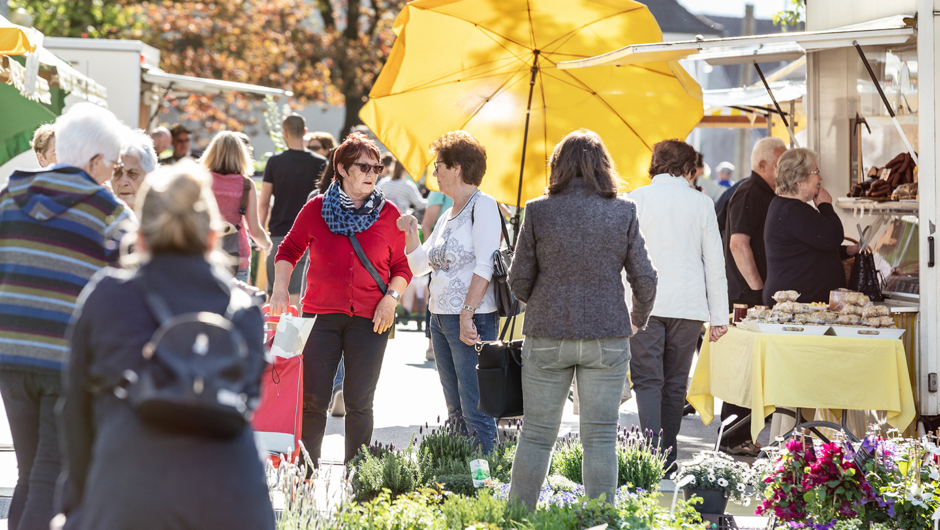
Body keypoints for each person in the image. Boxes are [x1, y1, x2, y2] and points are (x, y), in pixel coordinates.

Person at [55, 162, 275, 530]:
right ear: (211, 237)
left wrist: (78, 504)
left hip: (128, 490)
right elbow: (247, 405)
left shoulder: (107, 298)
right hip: (232, 497)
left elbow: (75, 413)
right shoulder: (245, 313)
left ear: (140, 237)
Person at [506, 129, 658, 510]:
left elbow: (518, 280)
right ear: (604, 166)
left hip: (546, 334)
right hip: (607, 335)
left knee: (538, 435)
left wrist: (542, 300)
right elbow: (645, 278)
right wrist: (637, 319)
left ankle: (518, 517)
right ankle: (600, 517)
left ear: (558, 165)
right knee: (602, 436)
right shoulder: (623, 211)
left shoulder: (538, 210)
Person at [0, 102, 132, 530]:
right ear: (95, 161)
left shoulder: (8, 197)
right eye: (112, 166)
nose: (113, 176)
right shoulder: (111, 215)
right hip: (66, 359)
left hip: (11, 354)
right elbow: (130, 290)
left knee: (30, 474)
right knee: (50, 477)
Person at [269, 132, 412, 465]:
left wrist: (391, 299)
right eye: (363, 166)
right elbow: (289, 249)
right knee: (313, 400)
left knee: (360, 401)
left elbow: (402, 266)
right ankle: (304, 474)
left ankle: (359, 478)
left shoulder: (389, 213)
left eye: (377, 167)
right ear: (343, 169)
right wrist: (279, 288)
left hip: (371, 317)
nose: (372, 174)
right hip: (320, 316)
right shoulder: (317, 208)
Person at [627, 139, 729, 472]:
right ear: (689, 168)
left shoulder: (636, 199)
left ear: (654, 165)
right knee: (674, 383)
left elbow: (623, 257)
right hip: (688, 305)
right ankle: (668, 458)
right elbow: (715, 262)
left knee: (646, 380)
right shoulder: (701, 202)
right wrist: (719, 316)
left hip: (645, 304)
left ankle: (650, 458)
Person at [398, 130, 501, 453]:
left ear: (457, 167)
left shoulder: (482, 206)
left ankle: (486, 487)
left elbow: (485, 264)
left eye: (439, 165)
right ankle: (461, 479)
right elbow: (419, 267)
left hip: (471, 319)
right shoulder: (447, 215)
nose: (435, 173)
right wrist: (412, 232)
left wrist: (467, 313)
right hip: (440, 318)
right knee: (455, 410)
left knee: (476, 410)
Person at [719, 136, 787, 456]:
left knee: (752, 369)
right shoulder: (750, 192)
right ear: (762, 165)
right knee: (745, 370)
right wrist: (760, 289)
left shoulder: (764, 193)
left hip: (752, 293)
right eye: (780, 165)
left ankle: (739, 436)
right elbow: (738, 244)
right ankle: (733, 438)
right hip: (747, 295)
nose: (784, 171)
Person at [763, 148, 857, 305]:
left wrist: (846, 251)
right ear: (799, 180)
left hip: (797, 302)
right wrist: (826, 206)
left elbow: (809, 248)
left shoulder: (785, 206)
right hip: (798, 306)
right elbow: (833, 236)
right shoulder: (794, 210)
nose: (820, 177)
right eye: (816, 172)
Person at [259, 114, 327, 305]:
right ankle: (297, 335)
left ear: (285, 133)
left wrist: (261, 234)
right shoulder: (320, 163)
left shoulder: (274, 162)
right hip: (310, 235)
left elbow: (264, 201)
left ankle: (274, 335)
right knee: (299, 292)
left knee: (275, 294)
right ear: (305, 132)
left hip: (279, 232)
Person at [201, 131, 272, 282]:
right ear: (241, 155)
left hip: (204, 254)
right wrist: (267, 245)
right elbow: (255, 231)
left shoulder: (200, 180)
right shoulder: (246, 185)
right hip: (237, 257)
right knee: (237, 303)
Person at [112, 129, 158, 209]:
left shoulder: (164, 217)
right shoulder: (98, 216)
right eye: (117, 173)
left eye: (132, 174)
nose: (123, 182)